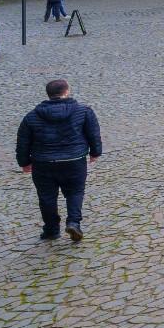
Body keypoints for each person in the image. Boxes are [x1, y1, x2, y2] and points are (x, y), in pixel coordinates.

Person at [16, 78, 102, 242]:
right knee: (75, 192)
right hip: (74, 160)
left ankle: (51, 229)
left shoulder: (32, 117)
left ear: (48, 94)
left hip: (43, 163)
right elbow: (93, 134)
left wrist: (24, 162)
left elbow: (23, 142)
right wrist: (95, 152)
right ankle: (74, 222)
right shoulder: (83, 111)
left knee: (46, 197)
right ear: (67, 91)